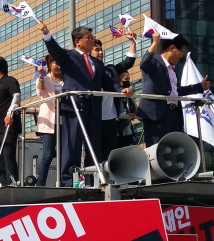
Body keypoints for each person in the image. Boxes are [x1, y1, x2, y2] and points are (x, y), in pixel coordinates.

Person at [40, 21, 133, 186]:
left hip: (94, 108)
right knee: (72, 145)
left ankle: (92, 180)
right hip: (74, 107)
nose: (92, 40)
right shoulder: (68, 56)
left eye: (92, 37)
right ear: (78, 42)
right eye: (88, 38)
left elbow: (108, 83)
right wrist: (46, 34)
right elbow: (54, 49)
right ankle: (68, 181)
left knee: (93, 147)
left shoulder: (97, 63)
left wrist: (121, 90)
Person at [135, 30, 208, 145]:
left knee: (174, 148)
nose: (182, 56)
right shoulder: (155, 61)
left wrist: (199, 86)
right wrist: (155, 43)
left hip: (173, 113)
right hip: (156, 115)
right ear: (172, 48)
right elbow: (144, 64)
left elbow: (176, 91)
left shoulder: (172, 69)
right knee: (158, 149)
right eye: (181, 51)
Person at [95, 35, 140, 161]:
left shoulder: (110, 70)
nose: (100, 53)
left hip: (111, 119)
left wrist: (132, 42)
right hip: (94, 119)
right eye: (97, 50)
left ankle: (108, 175)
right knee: (94, 154)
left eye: (101, 50)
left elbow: (128, 62)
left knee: (110, 154)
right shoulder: (85, 71)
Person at [0, 55, 23, 185]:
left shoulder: (9, 81)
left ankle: (13, 184)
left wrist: (10, 113)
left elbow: (17, 96)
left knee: (8, 158)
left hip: (6, 128)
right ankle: (4, 185)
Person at [32, 55, 60, 187]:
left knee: (65, 152)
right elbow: (39, 91)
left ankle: (66, 181)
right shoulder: (46, 78)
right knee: (48, 154)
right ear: (49, 64)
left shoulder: (67, 78)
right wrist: (41, 75)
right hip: (49, 121)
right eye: (55, 63)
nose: (58, 66)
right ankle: (41, 184)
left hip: (65, 120)